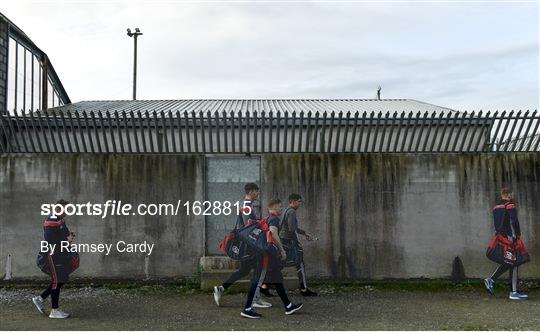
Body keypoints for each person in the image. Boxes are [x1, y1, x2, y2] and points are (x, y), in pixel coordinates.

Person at [241, 198, 303, 319]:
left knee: (278, 279)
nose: (281, 208)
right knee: (258, 281)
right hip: (265, 256)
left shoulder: (268, 218)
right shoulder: (274, 219)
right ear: (274, 208)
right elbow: (274, 234)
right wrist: (282, 250)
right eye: (280, 207)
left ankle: (288, 306)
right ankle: (247, 308)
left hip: (267, 256)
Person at [213, 183, 272, 308]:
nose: (257, 194)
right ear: (250, 192)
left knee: (244, 270)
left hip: (247, 244)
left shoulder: (247, 205)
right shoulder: (247, 205)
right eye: (256, 191)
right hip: (249, 245)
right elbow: (248, 226)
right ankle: (255, 299)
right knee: (258, 269)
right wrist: (261, 223)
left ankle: (221, 288)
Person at [32, 199, 74, 318]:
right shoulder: (50, 222)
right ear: (58, 209)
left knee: (61, 279)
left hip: (60, 254)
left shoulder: (60, 220)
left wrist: (69, 235)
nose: (67, 212)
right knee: (57, 281)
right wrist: (66, 239)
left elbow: (64, 233)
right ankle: (54, 311)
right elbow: (50, 240)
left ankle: (40, 298)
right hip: (52, 255)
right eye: (66, 210)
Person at [483, 188, 528, 300]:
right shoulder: (510, 205)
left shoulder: (495, 207)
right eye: (512, 194)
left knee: (508, 261)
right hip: (509, 238)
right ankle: (514, 292)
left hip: (500, 238)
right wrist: (517, 235)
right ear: (508, 195)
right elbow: (514, 221)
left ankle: (491, 280)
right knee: (514, 262)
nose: (513, 196)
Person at [280, 193, 317, 296]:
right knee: (300, 263)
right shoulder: (291, 212)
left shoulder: (287, 210)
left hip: (283, 240)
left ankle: (264, 285)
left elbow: (293, 228)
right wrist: (297, 243)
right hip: (287, 242)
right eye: (299, 201)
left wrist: (304, 233)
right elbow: (292, 230)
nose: (300, 204)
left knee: (279, 265)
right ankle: (304, 289)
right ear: (293, 201)